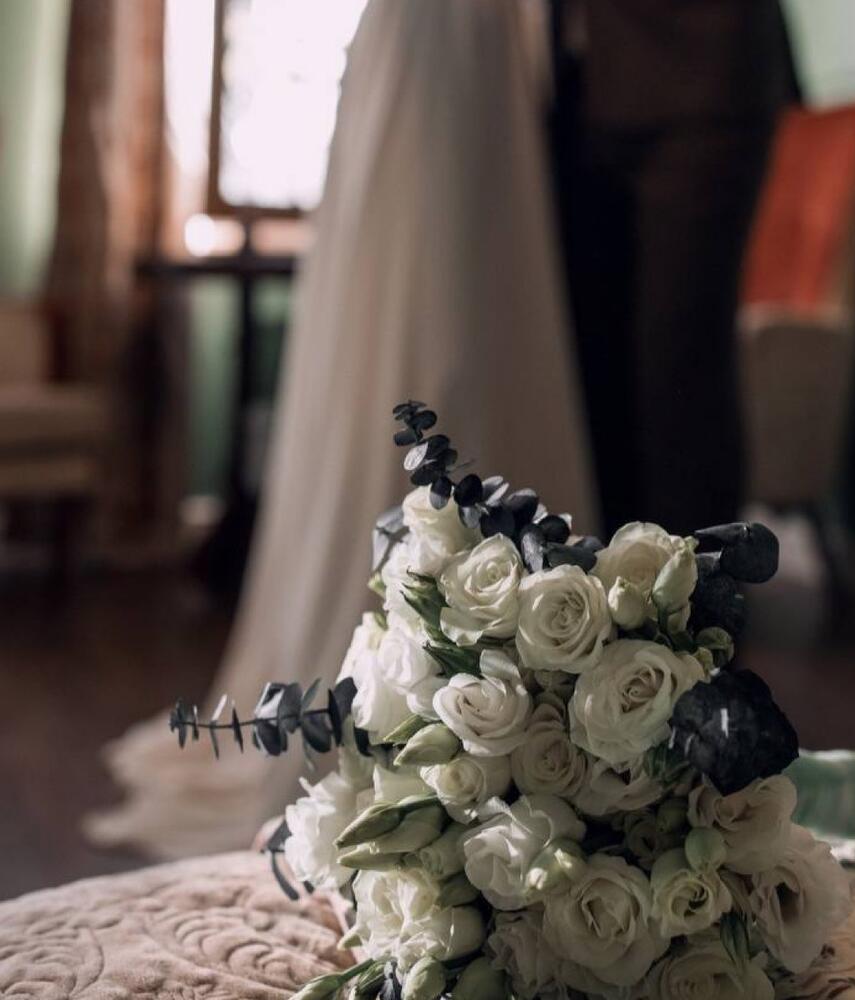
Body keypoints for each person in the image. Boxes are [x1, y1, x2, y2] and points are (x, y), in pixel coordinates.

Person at [87, 0, 597, 858]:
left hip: (475, 54)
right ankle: (422, 680)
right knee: (440, 322)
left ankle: (518, 676)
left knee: (469, 326)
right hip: (444, 47)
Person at [552, 0, 800, 535]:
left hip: (698, 68)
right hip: (567, 87)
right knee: (590, 375)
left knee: (679, 366)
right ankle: (610, 581)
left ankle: (696, 582)